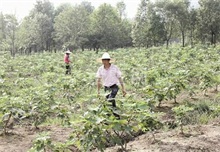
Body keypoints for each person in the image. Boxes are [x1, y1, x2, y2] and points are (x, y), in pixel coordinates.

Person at [96, 52, 126, 118]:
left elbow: (120, 78)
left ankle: (107, 117)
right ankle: (117, 116)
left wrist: (123, 88)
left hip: (114, 87)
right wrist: (98, 91)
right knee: (111, 102)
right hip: (106, 88)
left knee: (109, 100)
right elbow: (98, 81)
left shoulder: (114, 68)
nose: (104, 62)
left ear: (108, 60)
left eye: (105, 60)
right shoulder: (100, 69)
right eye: (103, 60)